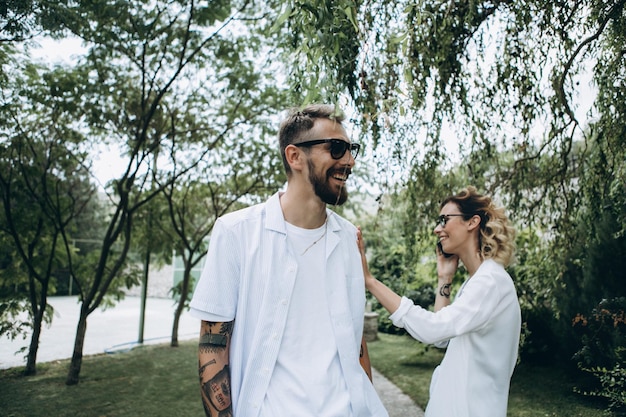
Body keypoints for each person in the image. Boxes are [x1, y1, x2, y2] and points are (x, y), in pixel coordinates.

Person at [189, 104, 388, 417]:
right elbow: (213, 345)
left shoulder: (350, 239)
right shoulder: (236, 232)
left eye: (352, 150)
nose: (349, 161)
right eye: (336, 148)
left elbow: (355, 340)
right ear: (294, 156)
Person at [358, 186, 521, 417]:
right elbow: (443, 339)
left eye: (444, 220)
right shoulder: (478, 282)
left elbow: (433, 330)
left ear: (472, 222)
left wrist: (370, 282)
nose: (437, 229)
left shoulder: (490, 282)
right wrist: (445, 278)